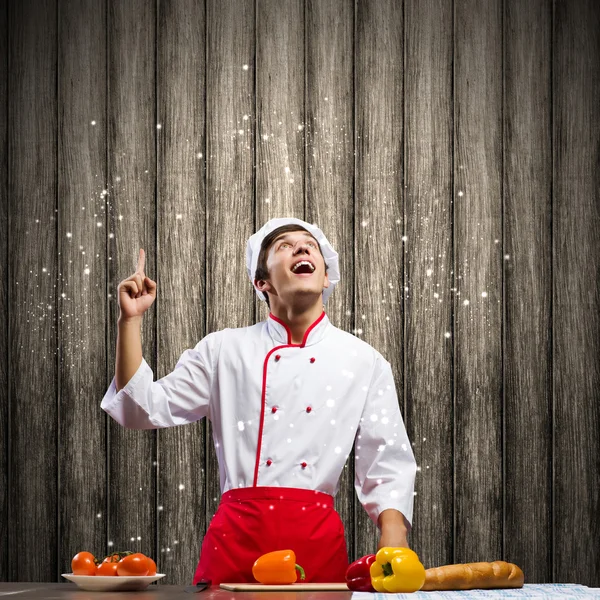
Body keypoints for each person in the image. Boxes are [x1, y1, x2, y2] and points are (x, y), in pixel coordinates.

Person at [101, 216, 417, 585]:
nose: (301, 247)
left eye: (310, 245)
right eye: (285, 245)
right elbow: (139, 409)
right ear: (261, 281)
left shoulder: (364, 361)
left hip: (316, 542)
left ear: (326, 277)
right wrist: (130, 321)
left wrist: (395, 543)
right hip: (235, 539)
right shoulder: (223, 349)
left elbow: (387, 462)